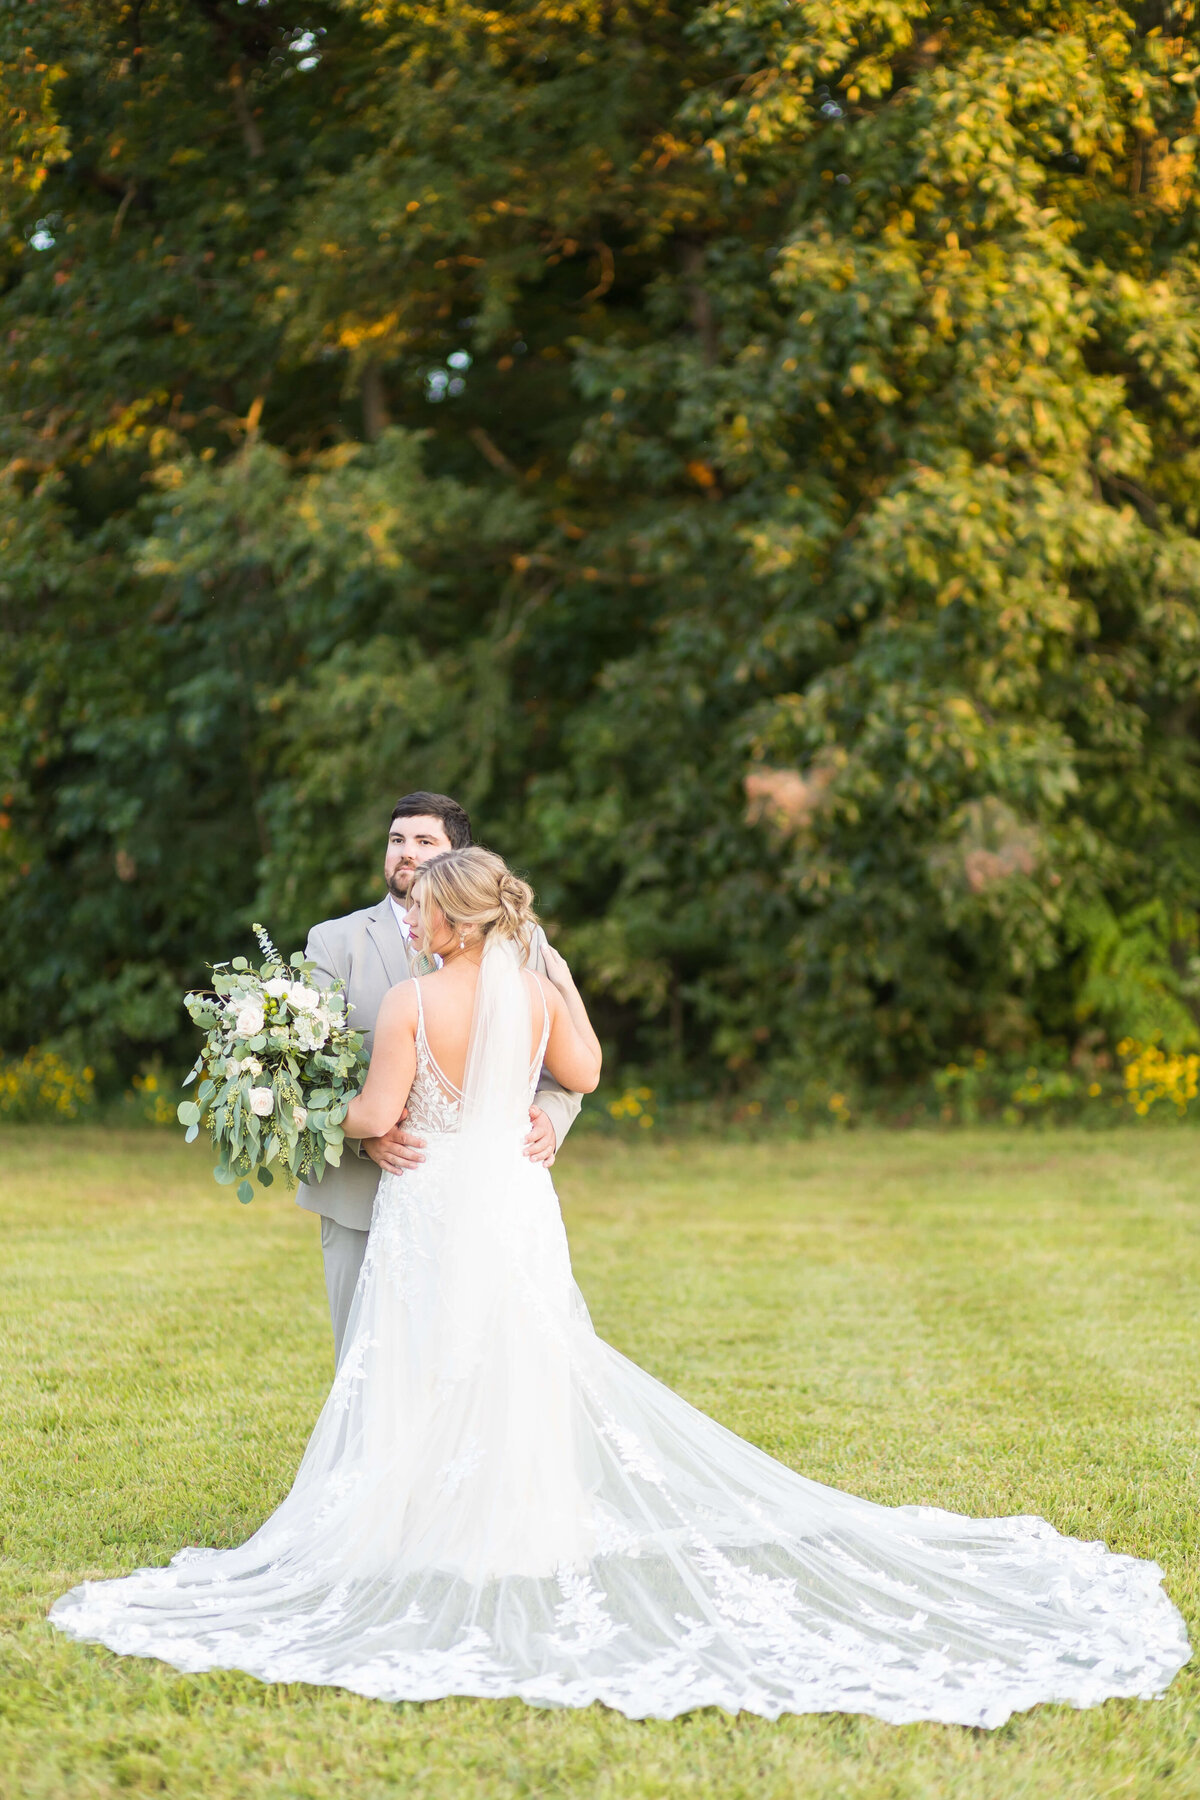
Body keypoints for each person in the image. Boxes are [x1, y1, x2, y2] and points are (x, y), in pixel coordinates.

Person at [49, 850, 1190, 1725]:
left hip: (438, 1197)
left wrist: (300, 1088)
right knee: (526, 1351)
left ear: (446, 917)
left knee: (427, 1355)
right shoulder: (540, 981)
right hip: (512, 1192)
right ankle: (524, 1525)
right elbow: (583, 1074)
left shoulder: (410, 1002)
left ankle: (415, 1529)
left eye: (425, 912)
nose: (417, 924)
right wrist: (529, 1073)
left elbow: (374, 1120)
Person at [297, 790, 582, 1365]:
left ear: (460, 858)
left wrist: (551, 1117)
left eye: (426, 841)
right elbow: (301, 1065)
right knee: (370, 1365)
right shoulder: (333, 942)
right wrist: (361, 1134)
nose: (406, 853)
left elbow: (566, 1067)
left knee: (488, 1360)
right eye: (397, 839)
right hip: (359, 1196)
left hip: (485, 1189)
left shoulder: (524, 944)